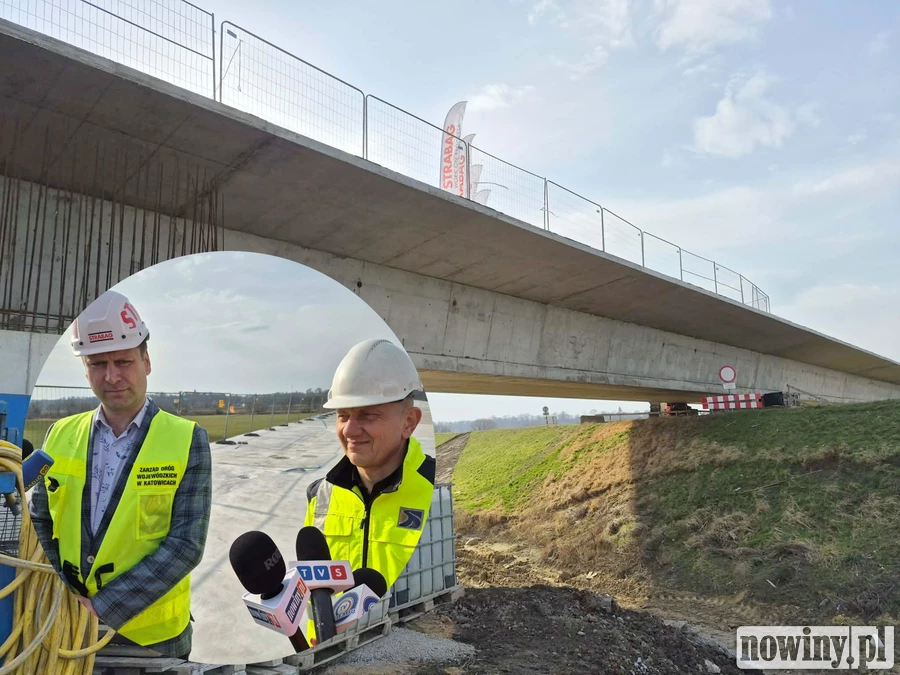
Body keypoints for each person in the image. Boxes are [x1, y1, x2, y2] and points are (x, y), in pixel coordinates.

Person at [29, 290, 212, 660]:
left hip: (152, 638)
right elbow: (40, 518)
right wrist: (67, 594)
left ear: (146, 361)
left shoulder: (187, 439)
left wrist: (103, 606)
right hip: (68, 622)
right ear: (85, 368)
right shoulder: (60, 433)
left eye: (123, 361)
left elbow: (185, 544)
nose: (111, 377)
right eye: (97, 364)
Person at [303, 339, 435, 642]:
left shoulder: (435, 494)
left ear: (409, 422)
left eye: (367, 415)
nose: (349, 430)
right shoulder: (319, 495)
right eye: (343, 415)